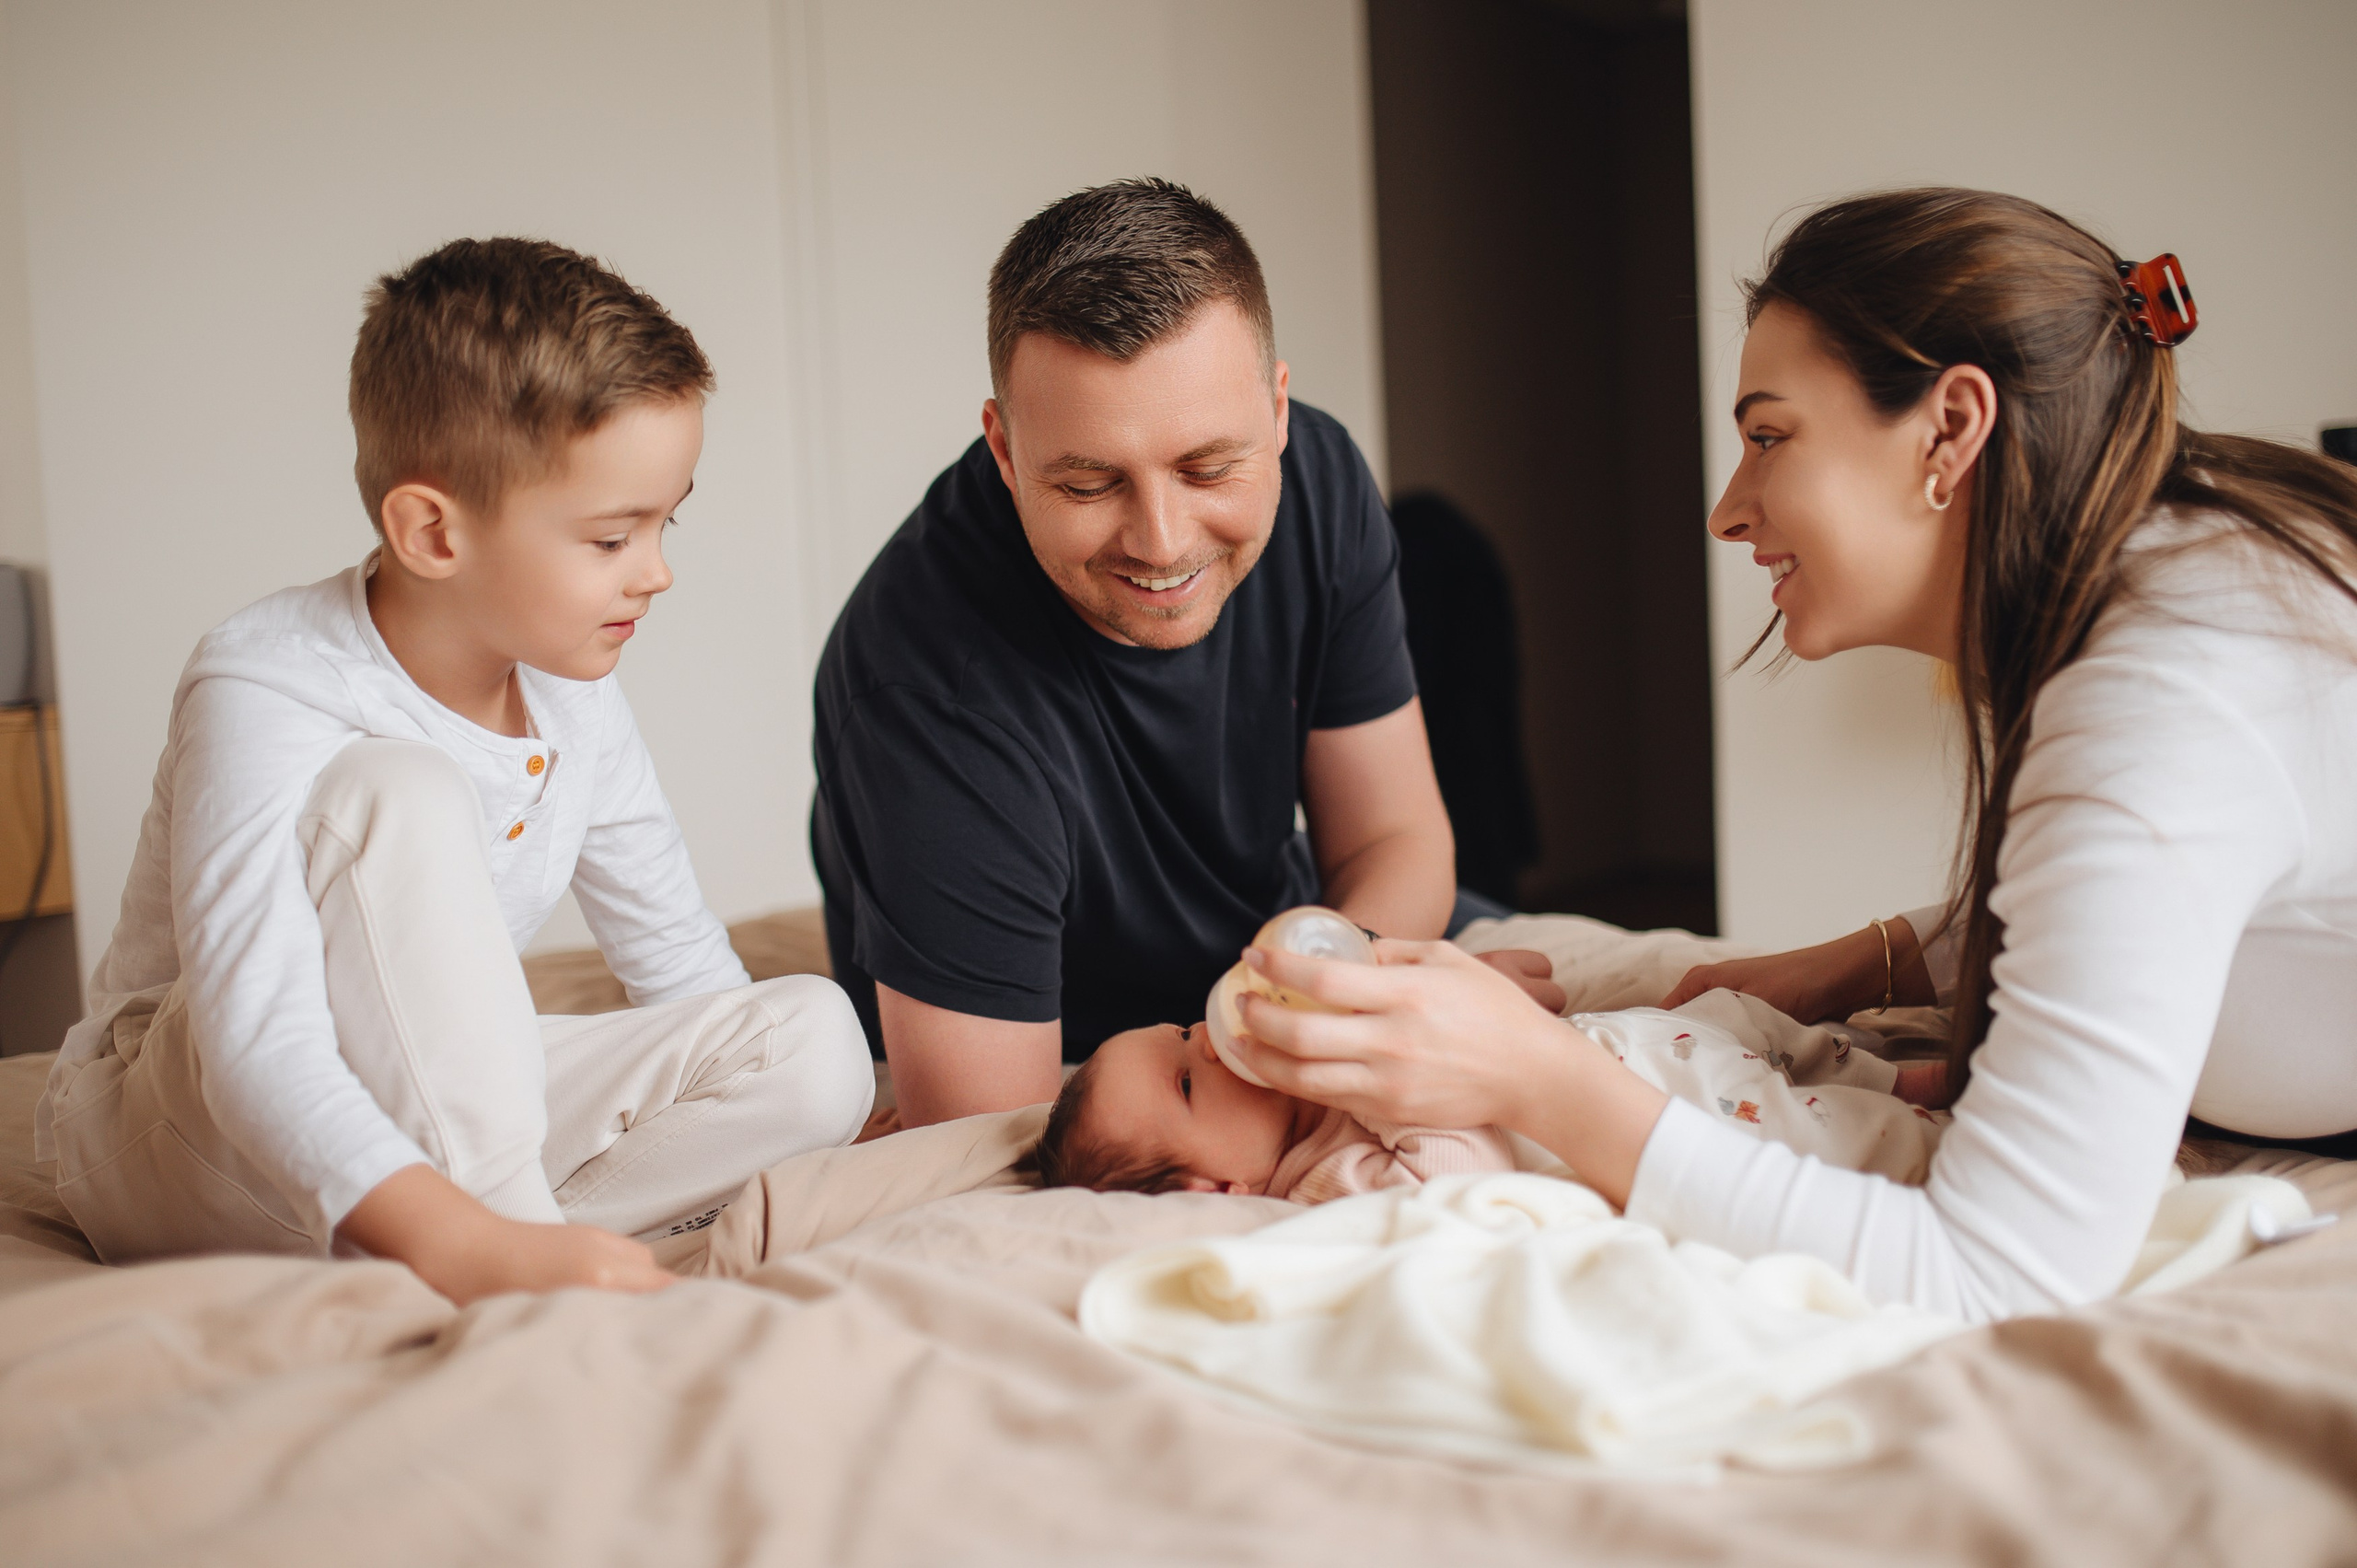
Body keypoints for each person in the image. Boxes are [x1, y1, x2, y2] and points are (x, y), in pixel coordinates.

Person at [1216, 188, 2357, 1323]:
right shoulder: (2187, 566)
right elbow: (2130, 904)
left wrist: (1541, 1077)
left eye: (1767, 437)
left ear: (1950, 429)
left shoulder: (2161, 690)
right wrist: (1867, 960)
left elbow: (1992, 1270)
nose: (1726, 510)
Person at [36, 239, 874, 1305]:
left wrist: (792, 1120)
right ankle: (489, 1242)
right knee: (402, 786)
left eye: (666, 523)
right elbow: (258, 1039)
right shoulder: (267, 678)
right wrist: (474, 1223)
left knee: (815, 1042)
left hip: (420, 1111)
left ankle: (484, 1231)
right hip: (182, 1130)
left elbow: (676, 959)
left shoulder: (573, 690)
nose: (657, 572)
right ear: (432, 530)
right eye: (611, 538)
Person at [812, 179, 1551, 1127]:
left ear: (1277, 411)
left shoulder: (1318, 480)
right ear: (1003, 450)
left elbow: (1393, 838)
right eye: (1089, 485)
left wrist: (1353, 989)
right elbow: (994, 1130)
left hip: (1268, 958)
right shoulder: (923, 685)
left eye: (1208, 468)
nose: (1162, 543)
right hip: (1090, 1055)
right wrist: (1309, 1037)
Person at [1028, 984, 1944, 1203]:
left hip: (1642, 1043)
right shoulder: (1332, 1182)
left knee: (1731, 1012)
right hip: (1674, 1113)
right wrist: (1371, 1076)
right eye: (1189, 1077)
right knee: (1813, 1130)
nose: (1208, 1039)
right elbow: (1467, 1180)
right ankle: (1920, 1124)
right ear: (1211, 1187)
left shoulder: (1313, 1068)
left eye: (1180, 1029)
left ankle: (1894, 1071)